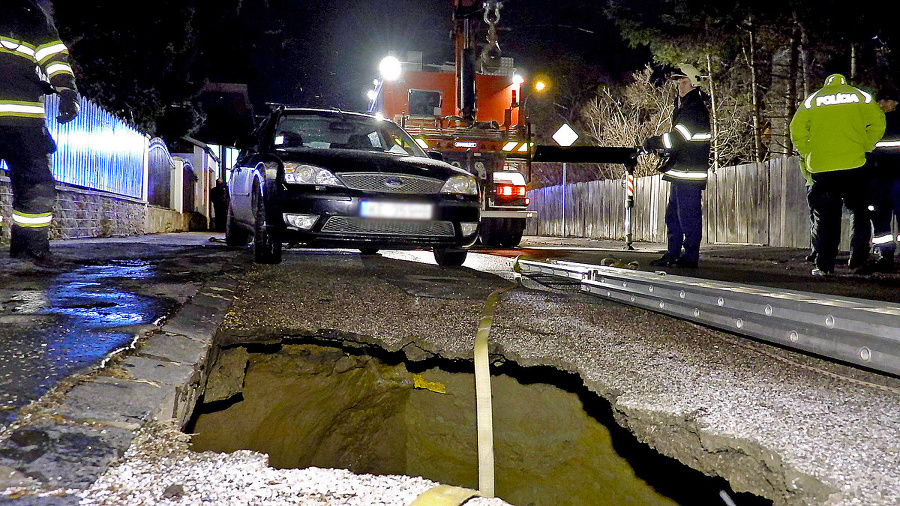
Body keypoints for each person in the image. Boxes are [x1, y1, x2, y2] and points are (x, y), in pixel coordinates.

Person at [0, 0, 79, 268]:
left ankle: (30, 250)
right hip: (24, 122)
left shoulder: (33, 13)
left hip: (26, 123)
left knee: (38, 187)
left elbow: (54, 58)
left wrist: (68, 91)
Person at [789, 74, 885, 276]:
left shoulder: (813, 100)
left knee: (825, 217)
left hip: (823, 168)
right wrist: (865, 146)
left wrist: (808, 151)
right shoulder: (861, 97)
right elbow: (878, 123)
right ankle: (857, 261)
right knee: (860, 213)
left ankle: (825, 266)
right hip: (855, 165)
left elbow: (796, 129)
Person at [642, 63, 712, 269]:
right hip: (681, 172)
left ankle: (689, 256)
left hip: (688, 173)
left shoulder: (694, 109)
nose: (679, 86)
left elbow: (678, 139)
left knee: (687, 217)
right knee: (673, 216)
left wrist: (653, 143)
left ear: (694, 83)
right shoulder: (686, 107)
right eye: (678, 82)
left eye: (683, 81)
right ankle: (673, 253)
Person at [864, 89, 900, 273]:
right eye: (880, 100)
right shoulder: (872, 122)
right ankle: (885, 256)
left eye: (887, 100)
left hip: (892, 178)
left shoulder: (879, 123)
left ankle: (887, 257)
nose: (882, 104)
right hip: (880, 179)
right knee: (880, 219)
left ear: (896, 103)